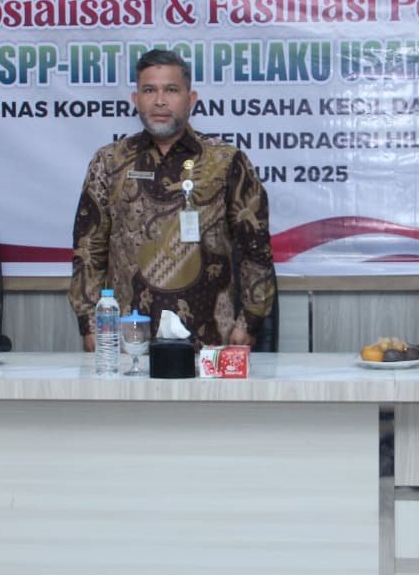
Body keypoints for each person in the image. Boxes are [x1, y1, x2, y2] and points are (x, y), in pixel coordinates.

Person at [69, 48, 276, 350]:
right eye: (149, 90)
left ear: (191, 99)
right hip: (129, 339)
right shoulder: (109, 162)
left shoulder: (226, 161)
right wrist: (90, 324)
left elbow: (255, 248)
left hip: (211, 339)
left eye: (171, 90)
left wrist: (249, 322)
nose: (160, 101)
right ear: (136, 99)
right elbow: (89, 248)